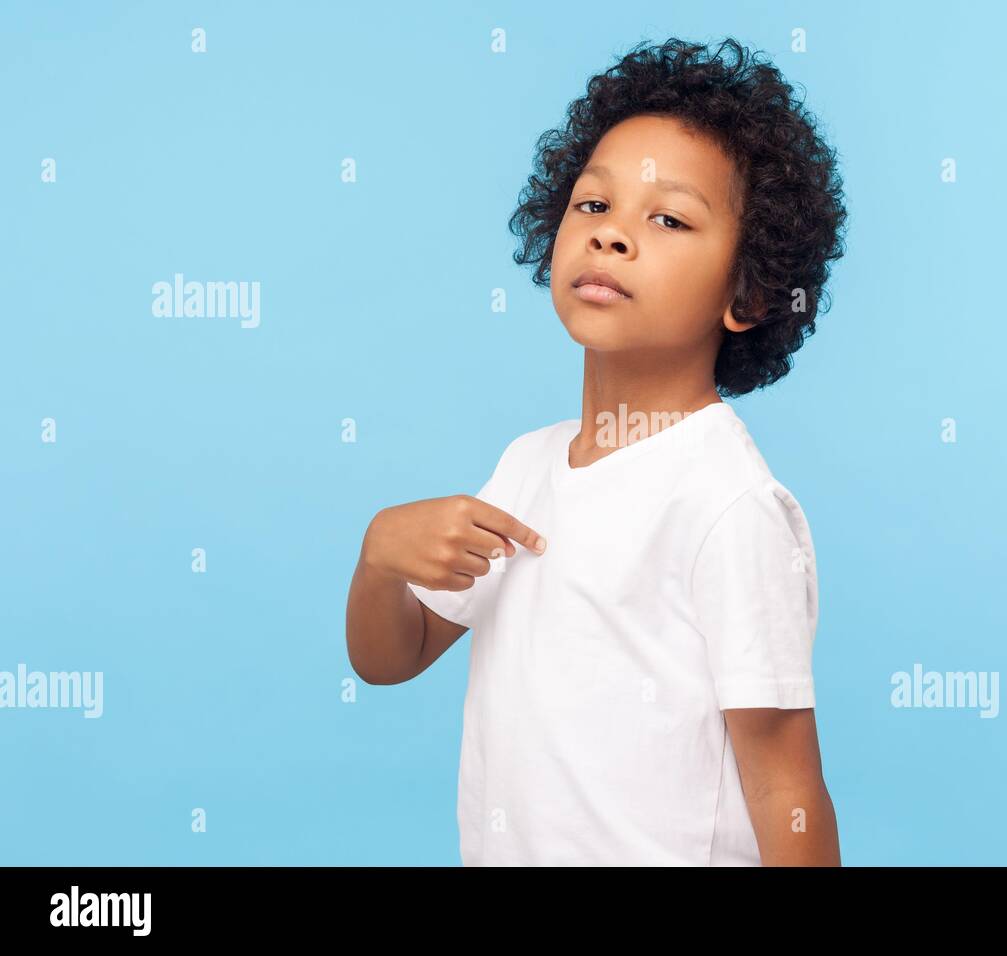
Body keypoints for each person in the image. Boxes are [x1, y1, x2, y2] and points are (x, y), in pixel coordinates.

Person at [346, 37, 848, 866]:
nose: (613, 236)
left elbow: (785, 786)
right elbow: (390, 658)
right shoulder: (526, 467)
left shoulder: (725, 502)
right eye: (592, 206)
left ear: (750, 291)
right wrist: (378, 560)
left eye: (669, 219)